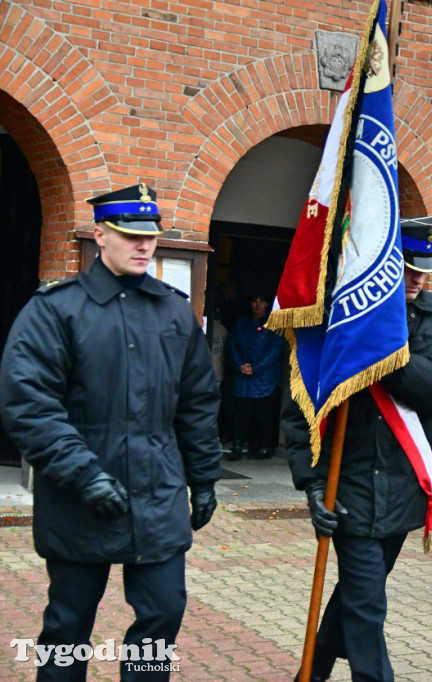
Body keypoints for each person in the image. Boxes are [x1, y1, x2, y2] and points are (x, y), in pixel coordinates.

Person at [0, 183, 221, 681]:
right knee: (68, 628)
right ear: (100, 234)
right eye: (130, 235)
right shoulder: (56, 310)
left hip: (157, 497)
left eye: (151, 236)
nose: (145, 245)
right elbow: (29, 404)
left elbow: (198, 404)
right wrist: (84, 475)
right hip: (80, 499)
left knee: (163, 617)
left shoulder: (172, 310)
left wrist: (205, 478)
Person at [284, 216, 432, 682]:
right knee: (368, 606)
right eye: (408, 268)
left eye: (426, 269)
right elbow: (303, 407)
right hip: (348, 484)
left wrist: (384, 363)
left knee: (356, 593)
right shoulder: (341, 315)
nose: (418, 279)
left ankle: (314, 669)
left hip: (403, 487)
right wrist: (311, 483)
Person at [228, 292, 286, 460]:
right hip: (242, 376)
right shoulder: (242, 323)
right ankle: (237, 445)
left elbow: (275, 350)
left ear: (268, 304)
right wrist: (239, 364)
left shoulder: (273, 324)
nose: (258, 305)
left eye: (262, 301)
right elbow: (232, 345)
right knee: (240, 413)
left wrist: (256, 368)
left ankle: (263, 447)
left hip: (264, 379)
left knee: (263, 415)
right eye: (255, 300)